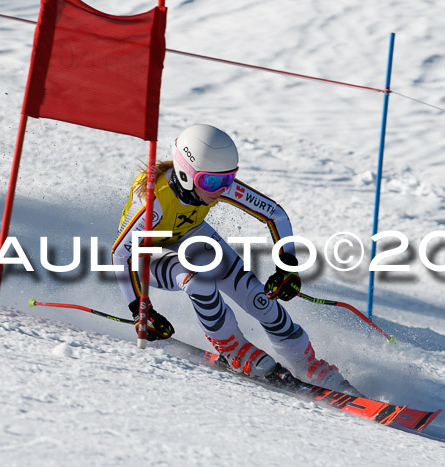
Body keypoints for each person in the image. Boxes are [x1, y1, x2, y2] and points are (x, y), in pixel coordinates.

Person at [111, 124, 358, 393]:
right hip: (147, 256)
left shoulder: (214, 182)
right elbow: (120, 254)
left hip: (189, 235)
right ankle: (233, 348)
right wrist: (140, 310)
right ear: (184, 174)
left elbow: (275, 214)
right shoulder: (154, 203)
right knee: (199, 279)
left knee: (256, 295)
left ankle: (305, 361)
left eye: (229, 179)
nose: (221, 189)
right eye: (212, 182)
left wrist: (287, 266)